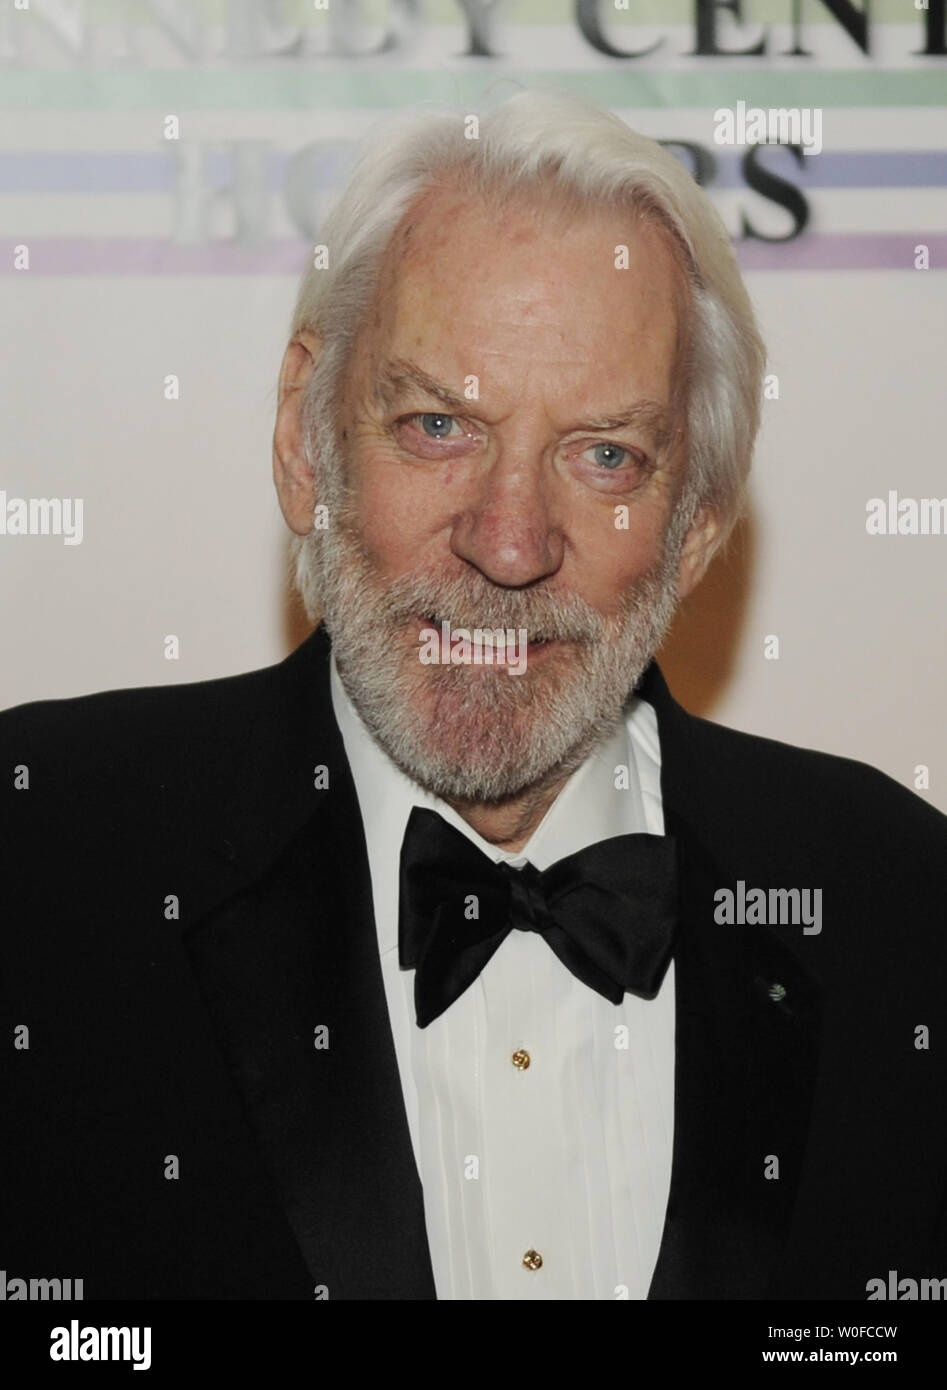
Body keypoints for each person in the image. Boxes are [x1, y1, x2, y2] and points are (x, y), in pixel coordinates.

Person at [2, 88, 945, 1303]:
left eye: (603, 453)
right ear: (306, 443)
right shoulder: (42, 870)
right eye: (439, 423)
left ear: (696, 524)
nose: (508, 543)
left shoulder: (903, 917)